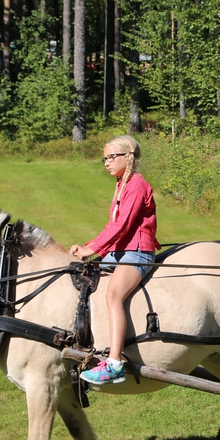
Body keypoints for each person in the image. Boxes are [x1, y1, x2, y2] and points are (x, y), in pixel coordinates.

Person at [71, 136, 160, 386]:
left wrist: (94, 248)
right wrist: (89, 246)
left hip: (137, 252)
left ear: (128, 157)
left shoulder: (137, 185)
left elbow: (122, 226)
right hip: (121, 250)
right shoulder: (123, 183)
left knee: (113, 295)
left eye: (112, 157)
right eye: (105, 158)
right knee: (83, 276)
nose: (107, 163)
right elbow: (112, 226)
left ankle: (114, 364)